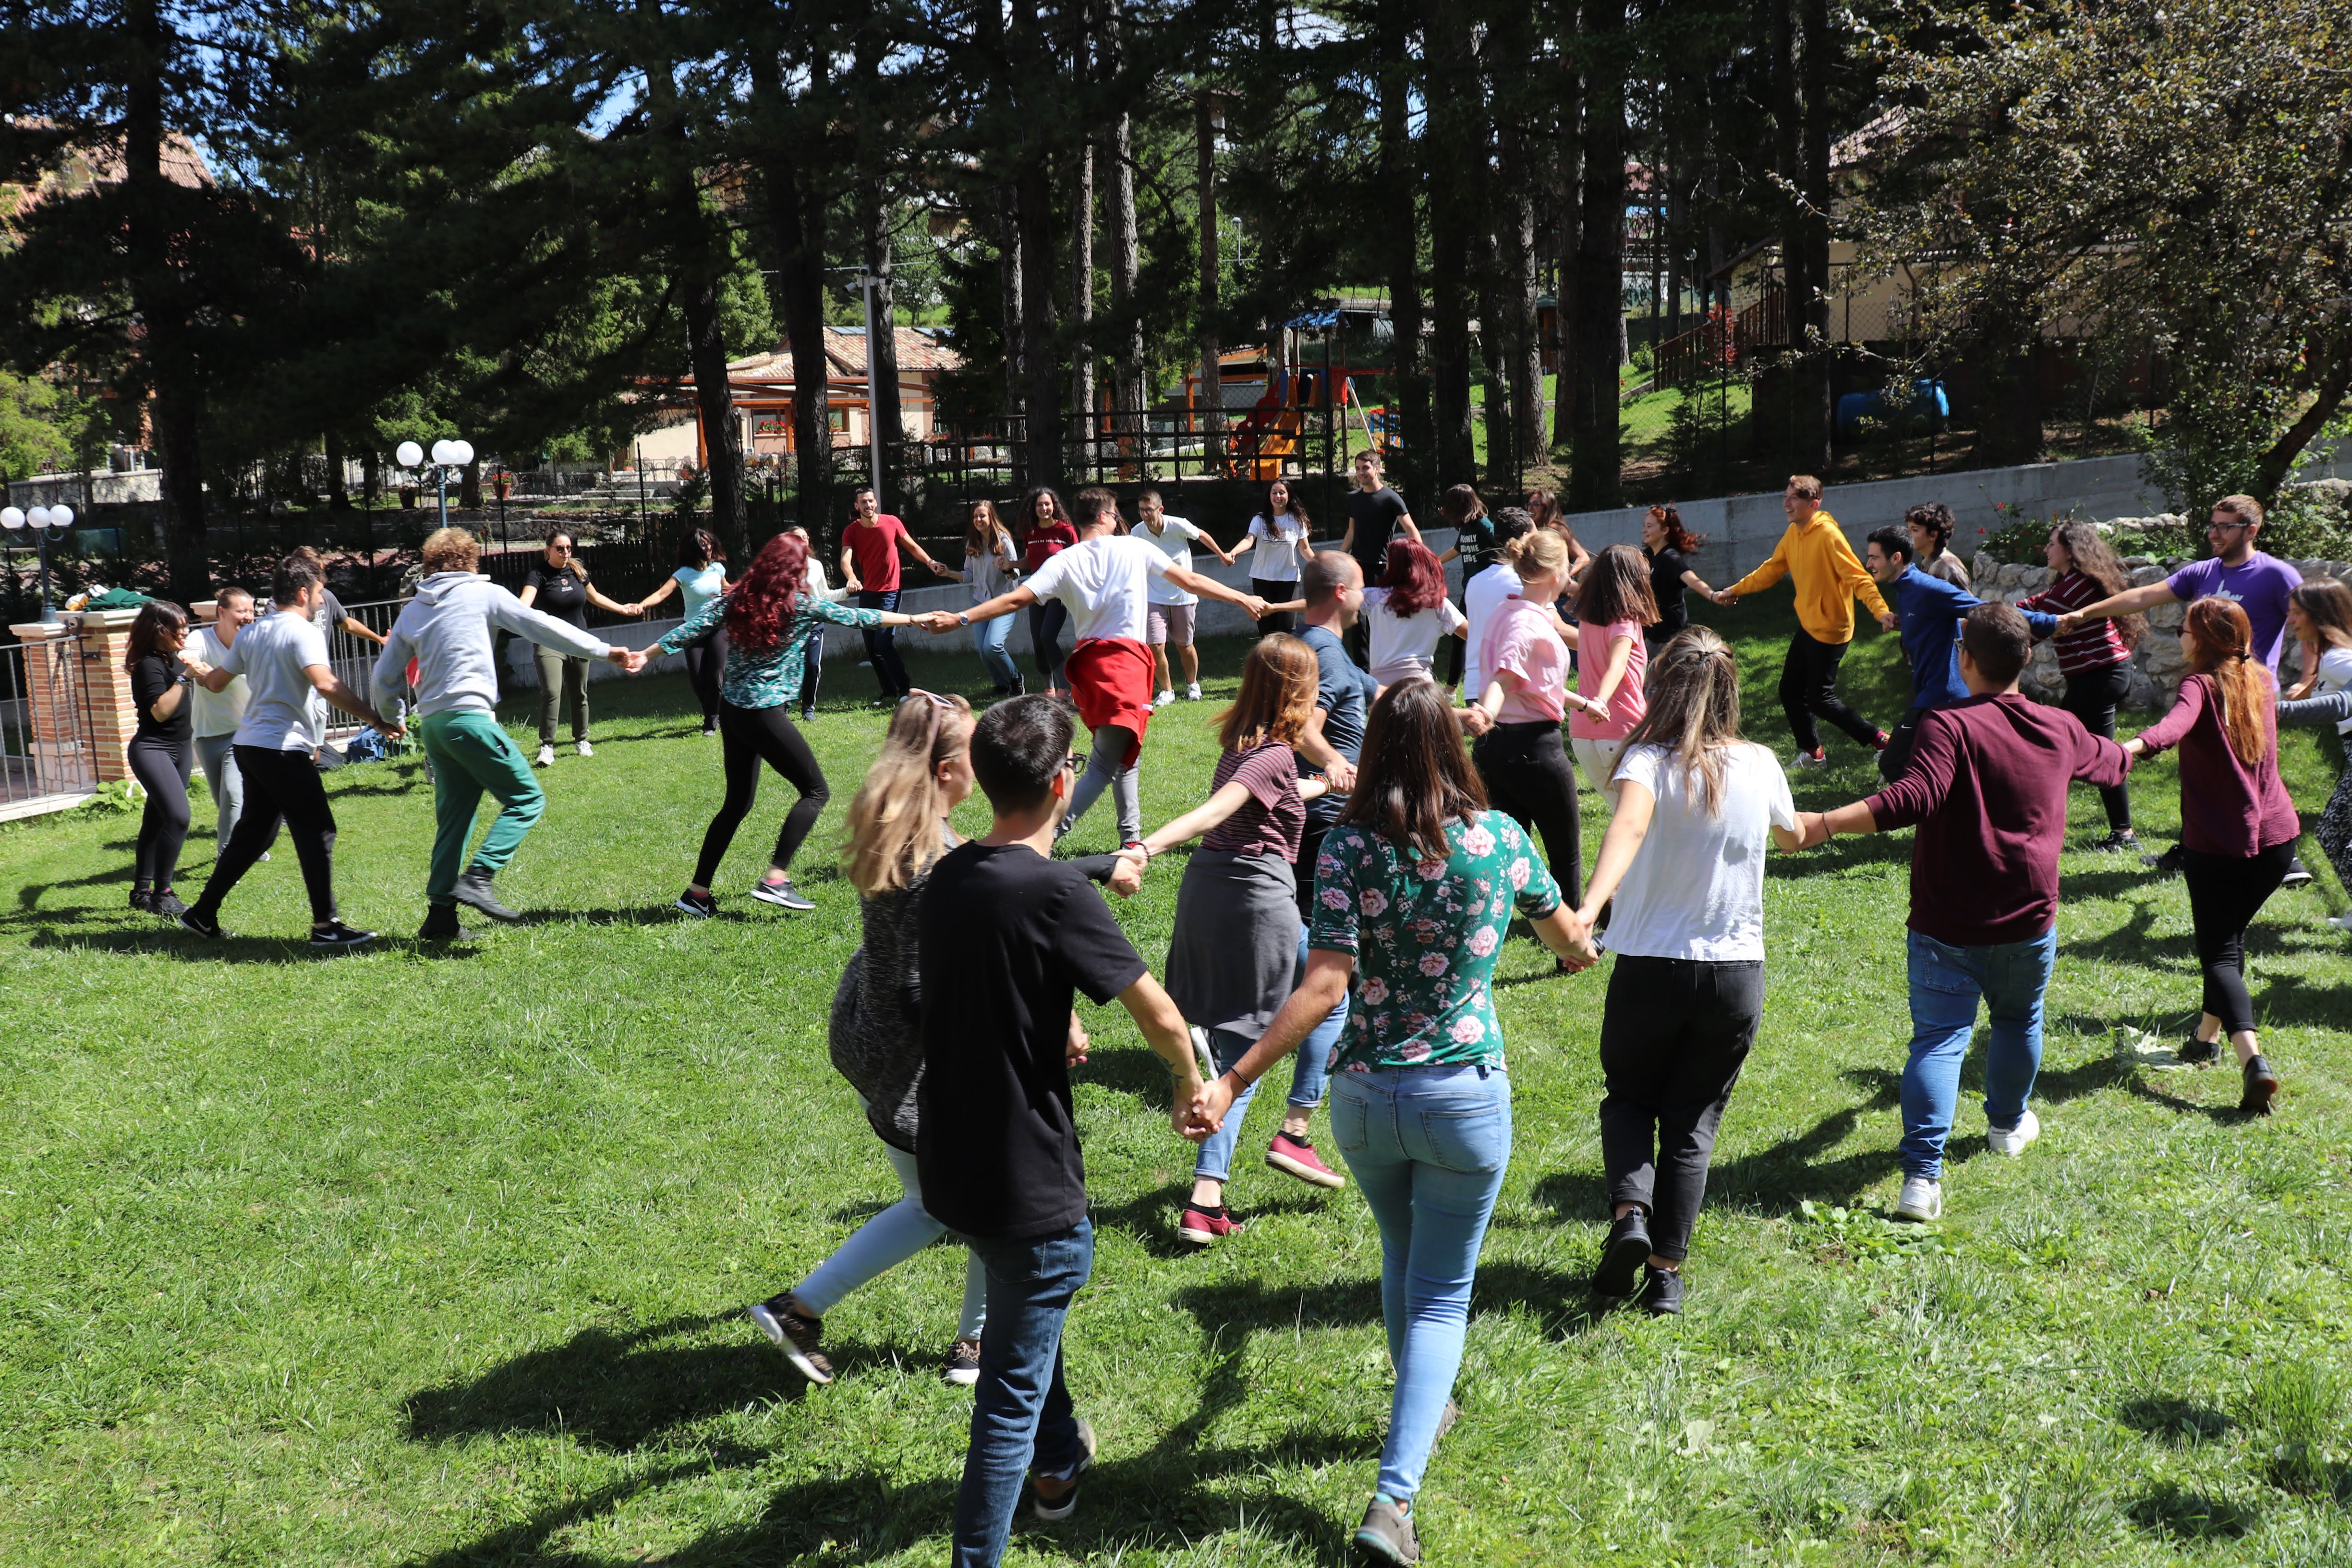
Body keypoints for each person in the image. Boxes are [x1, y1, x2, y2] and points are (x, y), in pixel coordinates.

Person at [1188, 680, 1597, 1567]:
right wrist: (1582, 939)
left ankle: (1424, 1398)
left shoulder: (1349, 847)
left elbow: (1326, 984)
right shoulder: (1501, 842)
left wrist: (1235, 1079)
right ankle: (1393, 1500)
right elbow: (1567, 940)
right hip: (1461, 1097)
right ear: (1454, 746)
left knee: (1399, 1259)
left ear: (1373, 746)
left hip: (1366, 1101)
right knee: (1442, 1293)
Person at [913, 694, 1209, 1561]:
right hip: (1024, 1178)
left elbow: (981, 983)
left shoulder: (950, 878)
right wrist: (1189, 1081)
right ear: (1059, 782)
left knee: (1019, 1316)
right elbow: (1156, 1014)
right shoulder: (1049, 891)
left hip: (955, 1165)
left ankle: (1055, 1472)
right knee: (1006, 1389)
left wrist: (1054, 1019)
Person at [1790, 604, 2133, 1221]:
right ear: (2026, 658)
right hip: (2029, 920)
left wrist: (1821, 824)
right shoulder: (2059, 726)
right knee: (2018, 1019)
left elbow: (1912, 796)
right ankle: (2004, 1126)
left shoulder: (1945, 724)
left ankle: (1921, 1180)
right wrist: (2169, 728)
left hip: (1946, 923)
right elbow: (2114, 761)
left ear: (1963, 658)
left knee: (1940, 1040)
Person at [748, 693, 991, 1389]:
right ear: (947, 769)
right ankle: (805, 1309)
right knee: (959, 1202)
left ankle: (970, 1344)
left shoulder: (894, 828)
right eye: (973, 754)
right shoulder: (937, 858)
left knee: (951, 1200)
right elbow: (922, 989)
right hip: (913, 1055)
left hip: (866, 1030)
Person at [1567, 628, 1802, 1315]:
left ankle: (1629, 1218)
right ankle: (1665, 1275)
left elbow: (1629, 828)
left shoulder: (1646, 761)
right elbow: (1790, 835)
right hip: (1733, 976)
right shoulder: (1759, 764)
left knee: (1629, 1099)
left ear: (1660, 685)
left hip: (1648, 967)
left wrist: (1588, 906)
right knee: (1694, 1119)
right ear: (1731, 690)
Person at [1107, 636, 1350, 1247]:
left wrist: (1329, 781)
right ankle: (1230, 1175)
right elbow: (1217, 811)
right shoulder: (1268, 757)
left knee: (1313, 1000)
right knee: (1257, 1043)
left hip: (1210, 893)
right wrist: (1144, 846)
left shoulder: (1246, 746)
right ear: (1298, 691)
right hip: (1254, 901)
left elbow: (1274, 799)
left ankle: (1249, 1145)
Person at [943, 487, 1268, 849]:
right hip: (1122, 667)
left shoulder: (1063, 561)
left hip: (1090, 671)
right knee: (1102, 764)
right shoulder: (1133, 547)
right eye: (1116, 516)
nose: (1119, 522)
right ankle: (1039, 839)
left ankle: (1130, 842)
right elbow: (1190, 581)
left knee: (1125, 755)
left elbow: (1016, 598)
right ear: (1103, 517)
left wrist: (961, 617)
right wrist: (1240, 596)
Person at [656, 532, 954, 917]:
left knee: (737, 803)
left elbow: (691, 628)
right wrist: (913, 618)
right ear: (794, 568)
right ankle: (775, 878)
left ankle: (696, 894)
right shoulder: (798, 604)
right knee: (815, 791)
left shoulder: (740, 598)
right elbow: (861, 617)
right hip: (763, 713)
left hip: (733, 711)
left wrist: (646, 653)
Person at [374, 527, 647, 941]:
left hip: (435, 728)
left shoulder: (414, 609)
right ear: (471, 561)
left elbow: (383, 676)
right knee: (526, 799)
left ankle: (440, 919)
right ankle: (479, 878)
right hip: (471, 720)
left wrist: (393, 715)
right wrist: (603, 651)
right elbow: (542, 626)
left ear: (431, 565)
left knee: (455, 820)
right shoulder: (484, 594)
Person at [2055, 493, 2311, 884]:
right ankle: (2198, 848)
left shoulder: (2277, 575)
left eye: (2225, 526)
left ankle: (2280, 854)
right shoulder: (2203, 572)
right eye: (2213, 525)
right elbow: (2144, 596)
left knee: (2254, 772)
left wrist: (2308, 677)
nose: (2215, 534)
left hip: (2251, 692)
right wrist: (2087, 613)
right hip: (2210, 688)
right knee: (2205, 772)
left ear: (2252, 530)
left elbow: (2308, 622)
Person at [2118, 598, 2295, 1110]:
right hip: (2278, 842)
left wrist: (2126, 749)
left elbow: (2171, 728)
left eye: (2184, 628)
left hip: (2219, 844)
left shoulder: (2197, 685)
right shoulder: (2259, 677)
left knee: (2218, 953)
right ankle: (2205, 1039)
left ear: (2203, 638)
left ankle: (2252, 1060)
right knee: (2229, 937)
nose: (2179, 635)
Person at [182, 553, 408, 948]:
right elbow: (326, 684)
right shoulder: (303, 632)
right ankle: (326, 926)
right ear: (303, 592)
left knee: (255, 835)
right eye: (320, 593)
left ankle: (201, 913)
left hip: (251, 746)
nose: (322, 601)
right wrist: (375, 718)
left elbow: (216, 683)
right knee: (318, 830)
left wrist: (198, 670)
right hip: (281, 749)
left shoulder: (253, 632)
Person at [1464, 529, 1614, 911]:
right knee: (1565, 856)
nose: (1571, 577)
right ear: (1553, 574)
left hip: (1495, 751)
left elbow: (1534, 683)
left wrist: (1583, 703)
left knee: (1511, 857)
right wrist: (1487, 711)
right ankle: (1573, 947)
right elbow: (1505, 676)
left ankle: (1514, 926)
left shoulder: (1509, 612)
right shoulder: (1527, 625)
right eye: (1568, 568)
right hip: (1532, 750)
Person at [1712, 474, 1892, 768]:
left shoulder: (1828, 536)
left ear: (1814, 504)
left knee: (1820, 699)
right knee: (1790, 689)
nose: (1786, 504)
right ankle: (1813, 753)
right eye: (1786, 496)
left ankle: (1884, 741)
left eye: (1793, 498)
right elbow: (1771, 570)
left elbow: (1859, 578)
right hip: (1810, 624)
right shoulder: (1795, 534)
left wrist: (1880, 611)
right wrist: (1735, 589)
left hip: (1832, 628)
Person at [1865, 526, 2057, 785]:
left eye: (1874, 557)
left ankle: (1937, 809)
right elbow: (1929, 618)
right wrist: (1905, 623)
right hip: (1925, 687)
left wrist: (2052, 622)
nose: (1869, 564)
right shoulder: (1905, 587)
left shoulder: (1926, 587)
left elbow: (1985, 610)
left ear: (1896, 558)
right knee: (1940, 759)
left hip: (1942, 693)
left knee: (1894, 762)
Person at [2014, 520, 2146, 850]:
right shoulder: (2071, 583)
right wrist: (2003, 611)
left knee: (2061, 747)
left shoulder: (2075, 587)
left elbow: (2042, 622)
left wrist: (1994, 620)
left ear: (2071, 551)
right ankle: (2122, 833)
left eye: (2052, 544)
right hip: (2098, 676)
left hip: (2099, 677)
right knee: (2079, 748)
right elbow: (2038, 604)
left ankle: (2120, 834)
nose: (2046, 549)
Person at [518, 530, 633, 766]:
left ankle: (581, 739)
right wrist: (511, 615)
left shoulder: (577, 572)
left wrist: (623, 609)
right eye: (560, 548)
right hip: (549, 643)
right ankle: (547, 746)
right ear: (548, 549)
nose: (565, 553)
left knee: (579, 693)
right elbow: (524, 603)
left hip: (579, 642)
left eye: (569, 548)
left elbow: (596, 598)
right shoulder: (538, 574)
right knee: (551, 692)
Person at [842, 486, 965, 704]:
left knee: (883, 642)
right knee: (871, 647)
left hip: (890, 592)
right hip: (868, 593)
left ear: (876, 503)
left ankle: (906, 690)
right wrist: (852, 577)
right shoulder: (852, 531)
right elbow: (845, 560)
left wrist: (930, 562)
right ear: (856, 506)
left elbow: (912, 546)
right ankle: (888, 691)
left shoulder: (892, 523)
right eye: (863, 502)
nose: (868, 505)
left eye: (871, 501)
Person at [1566, 544, 1661, 811]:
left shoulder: (1587, 620)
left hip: (1582, 735)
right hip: (1621, 730)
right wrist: (1601, 701)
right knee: (1644, 822)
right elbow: (1617, 665)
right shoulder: (1626, 621)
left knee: (1623, 817)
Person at [125, 600, 202, 919]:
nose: (185, 632)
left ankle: (142, 892)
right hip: (153, 749)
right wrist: (185, 677)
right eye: (178, 627)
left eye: (186, 626)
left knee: (156, 821)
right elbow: (160, 710)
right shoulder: (149, 665)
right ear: (159, 631)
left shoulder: (172, 658)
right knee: (179, 816)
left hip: (180, 748)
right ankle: (164, 893)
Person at [1134, 489, 1236, 705]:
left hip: (1183, 596)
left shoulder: (1178, 525)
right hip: (1154, 596)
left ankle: (1192, 684)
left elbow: (1202, 536)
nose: (1145, 515)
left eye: (1149, 510)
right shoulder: (1137, 532)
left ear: (1160, 509)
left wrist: (1222, 556)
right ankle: (1167, 691)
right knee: (1155, 645)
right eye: (1142, 511)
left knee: (1185, 645)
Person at [625, 528, 730, 736]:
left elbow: (727, 588)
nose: (709, 547)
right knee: (699, 677)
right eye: (703, 544)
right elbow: (663, 593)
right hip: (691, 630)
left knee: (716, 675)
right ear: (694, 549)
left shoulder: (718, 569)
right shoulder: (683, 573)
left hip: (718, 628)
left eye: (710, 543)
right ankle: (712, 711)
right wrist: (643, 604)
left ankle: (711, 721)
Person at [2277, 681, 2352, 931]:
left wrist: (2275, 710)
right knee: (2332, 833)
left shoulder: (2335, 658)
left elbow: (2341, 704)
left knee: (2335, 835)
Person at [189, 587, 255, 856]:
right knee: (224, 801)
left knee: (233, 794)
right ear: (222, 613)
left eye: (252, 611)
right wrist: (197, 666)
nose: (249, 617)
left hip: (243, 734)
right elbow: (189, 655)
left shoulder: (254, 642)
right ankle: (255, 841)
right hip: (207, 734)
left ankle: (228, 858)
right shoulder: (201, 638)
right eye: (242, 611)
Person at [1339, 451, 1421, 667]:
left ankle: (1387, 664)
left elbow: (1412, 531)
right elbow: (1351, 532)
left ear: (1377, 468)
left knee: (1382, 619)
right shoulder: (1354, 499)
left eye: (1365, 468)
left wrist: (1418, 561)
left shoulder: (1391, 498)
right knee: (1358, 622)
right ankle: (1363, 671)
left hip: (1382, 569)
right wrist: (1340, 558)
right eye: (1357, 469)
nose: (1360, 473)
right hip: (1357, 567)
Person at [1361, 538, 1467, 689]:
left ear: (1396, 566)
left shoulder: (1372, 597)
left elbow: (1340, 598)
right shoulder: (1436, 602)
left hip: (1381, 689)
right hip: (1421, 686)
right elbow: (1473, 635)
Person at [1460, 508, 1536, 713]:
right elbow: (1558, 629)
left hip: (1476, 686)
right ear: (1527, 538)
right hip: (1514, 687)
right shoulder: (1527, 583)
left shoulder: (1474, 582)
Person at [1431, 485, 1497, 690]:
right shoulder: (1467, 526)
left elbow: (1504, 547)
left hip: (1487, 592)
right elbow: (1458, 549)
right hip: (1470, 591)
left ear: (1460, 505)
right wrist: (1435, 562)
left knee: (1488, 634)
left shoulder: (1484, 525)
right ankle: (1451, 688)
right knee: (1460, 635)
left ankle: (1493, 676)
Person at [1019, 487, 1080, 697]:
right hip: (1036, 593)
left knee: (1047, 637)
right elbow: (1030, 561)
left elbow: (1078, 559)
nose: (1044, 508)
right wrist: (1010, 564)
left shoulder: (1066, 531)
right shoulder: (1031, 532)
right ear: (1034, 508)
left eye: (1047, 504)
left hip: (1059, 594)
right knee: (1038, 642)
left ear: (1054, 505)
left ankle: (1065, 687)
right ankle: (1049, 688)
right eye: (1040, 505)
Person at [1234, 479, 1313, 637]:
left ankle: (1285, 662)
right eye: (1274, 493)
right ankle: (1268, 662)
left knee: (1287, 628)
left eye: (1282, 493)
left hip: (1289, 580)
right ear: (1269, 496)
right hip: (1262, 579)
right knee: (1266, 630)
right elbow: (1249, 540)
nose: (1278, 496)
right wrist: (1233, 552)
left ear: (1289, 496)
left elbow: (1305, 549)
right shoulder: (1259, 520)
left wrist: (1321, 565)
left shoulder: (1297, 521)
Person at [962, 500, 1025, 694]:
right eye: (975, 517)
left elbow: (1015, 572)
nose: (978, 520)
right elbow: (969, 575)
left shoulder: (1004, 541)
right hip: (980, 601)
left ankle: (1015, 677)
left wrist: (1006, 568)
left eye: (982, 516)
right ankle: (1001, 684)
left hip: (1004, 601)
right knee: (982, 649)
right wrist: (948, 573)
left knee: (993, 646)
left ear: (991, 518)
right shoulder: (973, 543)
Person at [1640, 505, 1719, 656]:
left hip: (1670, 639)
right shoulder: (1648, 554)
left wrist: (1712, 595)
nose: (1645, 530)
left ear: (1665, 531)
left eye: (1649, 526)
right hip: (1653, 634)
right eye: (1645, 526)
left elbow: (1692, 579)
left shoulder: (1670, 558)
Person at [1904, 501, 1971, 588]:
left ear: (1933, 535)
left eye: (1915, 530)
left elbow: (1968, 601)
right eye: (1908, 529)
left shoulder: (1948, 568)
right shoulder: (1929, 563)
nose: (1907, 534)